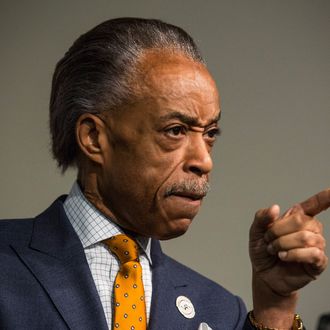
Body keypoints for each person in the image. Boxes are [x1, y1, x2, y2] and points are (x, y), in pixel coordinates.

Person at [0, 17, 329, 330]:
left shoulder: (221, 311)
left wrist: (275, 305)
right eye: (175, 130)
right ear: (94, 138)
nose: (204, 160)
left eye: (210, 133)